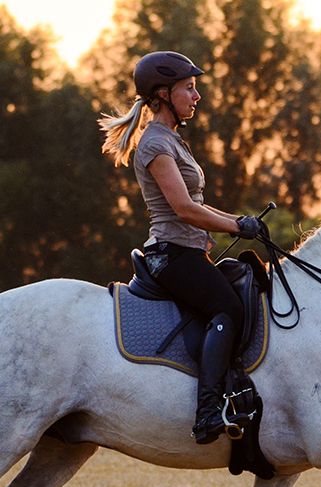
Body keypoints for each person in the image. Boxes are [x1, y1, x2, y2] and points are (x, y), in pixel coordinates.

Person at [98, 51, 263, 445]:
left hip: (189, 252)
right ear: (162, 94)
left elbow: (199, 205)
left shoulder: (173, 139)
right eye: (189, 88)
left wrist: (241, 222)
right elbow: (184, 209)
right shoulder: (155, 144)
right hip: (172, 256)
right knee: (228, 307)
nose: (197, 96)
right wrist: (235, 225)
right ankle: (208, 411)